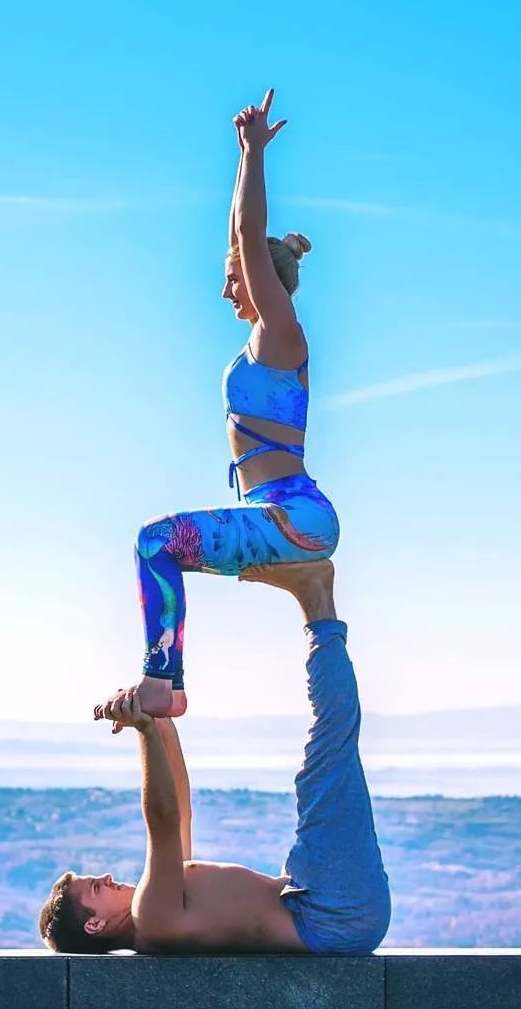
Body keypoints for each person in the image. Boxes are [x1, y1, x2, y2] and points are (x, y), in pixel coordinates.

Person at [101, 90, 339, 722]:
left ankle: (162, 682)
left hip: (295, 517)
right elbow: (242, 246)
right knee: (159, 543)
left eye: (235, 275)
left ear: (260, 278)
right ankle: (166, 683)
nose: (225, 287)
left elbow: (245, 236)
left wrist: (251, 154)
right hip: (275, 513)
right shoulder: (257, 350)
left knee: (157, 542)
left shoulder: (280, 335)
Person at [42, 559, 391, 955]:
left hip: (313, 896)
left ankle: (317, 599)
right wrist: (141, 730)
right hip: (332, 913)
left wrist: (160, 722)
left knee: (328, 750)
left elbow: (181, 809)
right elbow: (163, 819)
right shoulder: (152, 919)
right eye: (94, 888)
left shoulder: (160, 902)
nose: (104, 876)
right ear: (95, 924)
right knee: (327, 750)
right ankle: (317, 603)